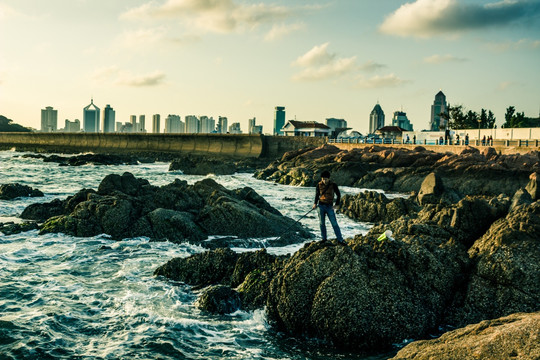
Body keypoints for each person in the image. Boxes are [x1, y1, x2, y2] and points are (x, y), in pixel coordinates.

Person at [313, 170, 344, 244]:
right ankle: (324, 239)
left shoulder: (333, 185)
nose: (324, 180)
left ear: (329, 178)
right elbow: (317, 195)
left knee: (334, 223)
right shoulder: (319, 185)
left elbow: (338, 195)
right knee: (322, 223)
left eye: (325, 179)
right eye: (323, 179)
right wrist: (315, 203)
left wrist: (336, 205)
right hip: (320, 206)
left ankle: (340, 240)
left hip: (330, 206)